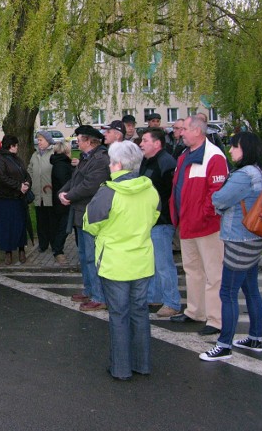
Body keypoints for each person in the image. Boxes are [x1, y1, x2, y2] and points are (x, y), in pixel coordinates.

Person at [84, 141, 160, 381]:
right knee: (139, 312)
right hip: (142, 260)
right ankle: (142, 364)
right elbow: (154, 216)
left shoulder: (109, 191)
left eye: (111, 162)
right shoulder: (150, 189)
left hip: (115, 262)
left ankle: (121, 368)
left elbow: (90, 223)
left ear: (117, 164)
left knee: (118, 314)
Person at [199, 132, 262, 361]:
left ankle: (224, 345)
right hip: (254, 238)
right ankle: (255, 338)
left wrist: (219, 201)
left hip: (239, 240)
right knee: (251, 290)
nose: (230, 151)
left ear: (244, 149)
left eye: (234, 146)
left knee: (227, 293)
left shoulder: (242, 175)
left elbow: (218, 200)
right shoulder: (259, 172)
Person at [169, 116, 229, 335]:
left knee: (214, 274)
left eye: (184, 129)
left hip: (206, 226)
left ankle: (216, 319)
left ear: (196, 131)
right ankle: (195, 311)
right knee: (192, 270)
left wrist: (202, 216)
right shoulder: (185, 155)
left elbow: (217, 194)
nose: (180, 132)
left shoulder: (214, 156)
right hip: (187, 224)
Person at [58, 125, 110, 311]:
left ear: (89, 141)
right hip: (81, 213)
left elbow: (90, 185)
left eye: (79, 139)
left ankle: (99, 296)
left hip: (92, 213)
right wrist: (63, 192)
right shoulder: (87, 158)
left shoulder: (100, 160)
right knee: (84, 255)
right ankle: (89, 290)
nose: (76, 142)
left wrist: (69, 196)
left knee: (91, 257)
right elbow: (76, 180)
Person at [139, 128, 182, 317]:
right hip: (151, 219)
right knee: (152, 261)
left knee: (164, 264)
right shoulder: (148, 161)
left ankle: (172, 302)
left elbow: (171, 193)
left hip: (162, 220)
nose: (141, 143)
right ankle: (153, 296)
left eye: (145, 140)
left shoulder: (166, 163)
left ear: (157, 144)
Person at [0, 135, 32, 265]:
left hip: (18, 198)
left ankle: (22, 249)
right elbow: (2, 177)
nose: (18, 148)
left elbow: (26, 174)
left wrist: (27, 184)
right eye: (16, 145)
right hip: (5, 198)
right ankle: (8, 252)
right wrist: (18, 186)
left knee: (20, 225)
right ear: (11, 146)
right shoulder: (0, 159)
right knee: (7, 226)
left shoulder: (18, 159)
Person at [28, 130, 55, 253]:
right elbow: (30, 170)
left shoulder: (54, 153)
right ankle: (43, 244)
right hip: (38, 193)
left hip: (50, 193)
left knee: (52, 221)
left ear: (47, 141)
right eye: (37, 140)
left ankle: (55, 245)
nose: (38, 142)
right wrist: (30, 183)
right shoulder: (35, 155)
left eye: (41, 140)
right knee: (41, 221)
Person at [49, 140, 73, 265]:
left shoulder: (60, 163)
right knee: (63, 227)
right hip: (64, 201)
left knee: (62, 226)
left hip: (60, 200)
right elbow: (66, 183)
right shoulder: (62, 165)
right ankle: (57, 251)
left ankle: (57, 249)